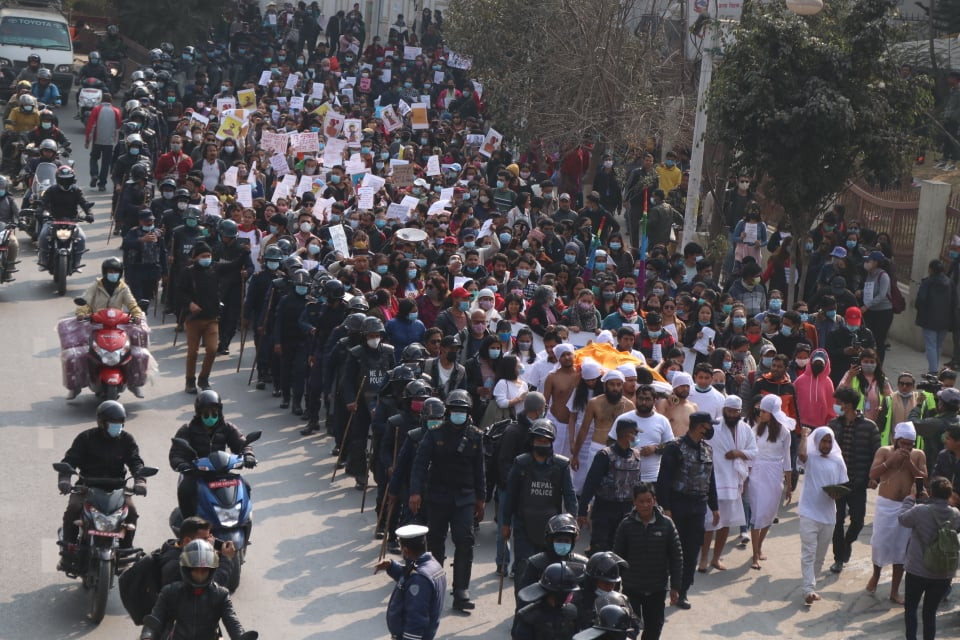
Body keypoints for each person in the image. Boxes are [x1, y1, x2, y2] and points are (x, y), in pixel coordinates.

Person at [409, 389, 485, 611]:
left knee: (465, 541)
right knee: (435, 542)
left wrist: (481, 498)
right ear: (448, 411)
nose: (458, 414)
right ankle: (434, 585)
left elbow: (480, 470)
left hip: (464, 497)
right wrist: (415, 492)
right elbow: (420, 464)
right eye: (454, 410)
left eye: (462, 411)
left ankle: (461, 590)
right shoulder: (435, 434)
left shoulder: (475, 436)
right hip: (438, 495)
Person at [57, 401, 147, 569]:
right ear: (101, 422)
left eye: (120, 423)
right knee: (73, 508)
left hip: (117, 489)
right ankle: (68, 550)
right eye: (113, 423)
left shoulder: (127, 440)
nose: (117, 426)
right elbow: (69, 462)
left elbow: (136, 463)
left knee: (132, 512)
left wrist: (140, 481)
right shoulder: (85, 438)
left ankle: (125, 549)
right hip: (86, 487)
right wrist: (64, 480)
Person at [655, 411, 719, 609]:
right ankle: (660, 590)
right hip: (677, 505)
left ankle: (682, 592)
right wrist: (665, 507)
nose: (711, 430)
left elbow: (710, 480)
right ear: (699, 426)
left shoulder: (707, 449)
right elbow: (663, 480)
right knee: (670, 551)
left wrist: (714, 508)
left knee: (691, 553)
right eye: (709, 425)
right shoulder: (675, 447)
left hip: (697, 507)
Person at [502, 419, 578, 579]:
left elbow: (570, 497)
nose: (542, 444)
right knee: (524, 570)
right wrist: (506, 523)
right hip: (524, 525)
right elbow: (510, 496)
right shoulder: (521, 463)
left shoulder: (561, 465)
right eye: (539, 440)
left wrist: (574, 524)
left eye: (546, 441)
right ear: (532, 441)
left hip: (552, 529)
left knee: (552, 573)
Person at [168, 390, 256, 521]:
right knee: (185, 490)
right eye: (206, 413)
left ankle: (244, 521)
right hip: (196, 473)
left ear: (219, 411)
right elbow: (176, 453)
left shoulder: (227, 427)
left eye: (214, 412)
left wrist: (248, 455)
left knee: (245, 486)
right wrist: (182, 464)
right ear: (199, 413)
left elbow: (242, 444)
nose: (211, 416)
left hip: (221, 472)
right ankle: (189, 525)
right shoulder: (187, 429)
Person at [140, 539, 251, 640]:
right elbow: (155, 618)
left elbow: (232, 621)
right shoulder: (170, 592)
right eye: (195, 570)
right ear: (187, 570)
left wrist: (241, 636)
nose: (200, 575)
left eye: (204, 571)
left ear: (211, 570)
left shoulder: (220, 595)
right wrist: (147, 635)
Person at [866, 421, 927, 603]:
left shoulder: (918, 455)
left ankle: (894, 591)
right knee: (879, 544)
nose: (906, 447)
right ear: (895, 440)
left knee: (901, 549)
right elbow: (872, 474)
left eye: (910, 444)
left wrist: (908, 463)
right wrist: (890, 462)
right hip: (886, 505)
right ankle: (876, 575)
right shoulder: (884, 451)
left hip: (906, 507)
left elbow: (923, 479)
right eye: (903, 443)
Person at [613, 483, 683, 639]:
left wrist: (676, 587)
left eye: (648, 500)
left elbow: (676, 557)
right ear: (634, 502)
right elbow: (617, 558)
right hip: (632, 588)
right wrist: (615, 588)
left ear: (654, 500)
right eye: (641, 501)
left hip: (657, 588)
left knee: (654, 627)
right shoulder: (626, 525)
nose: (645, 505)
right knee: (630, 628)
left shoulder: (667, 524)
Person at [699, 395, 757, 572]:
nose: (732, 414)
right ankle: (703, 559)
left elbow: (754, 452)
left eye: (735, 411)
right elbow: (702, 446)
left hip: (733, 480)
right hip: (713, 479)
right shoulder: (713, 427)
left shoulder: (746, 429)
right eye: (729, 411)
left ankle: (716, 558)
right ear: (724, 409)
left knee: (726, 522)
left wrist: (738, 453)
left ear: (740, 412)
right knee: (710, 522)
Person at [899, 476, 960, 640]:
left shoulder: (920, 510)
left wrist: (911, 498)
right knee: (930, 613)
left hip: (918, 570)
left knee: (911, 609)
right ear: (949, 494)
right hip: (943, 572)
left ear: (931, 492)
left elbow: (903, 519)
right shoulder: (955, 514)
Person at [829, 387, 881, 574]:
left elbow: (877, 454)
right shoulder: (833, 425)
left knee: (857, 521)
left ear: (848, 405)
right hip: (837, 484)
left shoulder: (869, 427)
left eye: (839, 403)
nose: (836, 406)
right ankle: (838, 558)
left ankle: (846, 543)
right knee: (836, 522)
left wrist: (875, 478)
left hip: (858, 483)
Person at [798, 427, 849, 605]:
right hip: (808, 512)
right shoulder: (810, 457)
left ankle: (812, 586)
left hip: (828, 515)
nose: (826, 445)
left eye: (829, 441)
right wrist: (804, 436)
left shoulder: (837, 461)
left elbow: (842, 486)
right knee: (808, 553)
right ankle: (808, 590)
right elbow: (802, 456)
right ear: (817, 441)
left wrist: (837, 494)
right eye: (823, 441)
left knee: (820, 556)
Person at [578, 418, 643, 554]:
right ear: (627, 434)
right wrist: (582, 511)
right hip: (604, 511)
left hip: (626, 511)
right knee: (600, 551)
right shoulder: (605, 455)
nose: (636, 437)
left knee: (622, 552)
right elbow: (591, 484)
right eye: (634, 433)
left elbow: (638, 485)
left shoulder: (636, 456)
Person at [375, 524, 446, 640]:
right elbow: (408, 577)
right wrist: (392, 566)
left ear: (405, 550)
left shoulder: (419, 580)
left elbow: (416, 617)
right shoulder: (432, 565)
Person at [748, 394, 794, 570]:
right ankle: (754, 556)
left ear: (773, 412)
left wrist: (789, 485)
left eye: (764, 411)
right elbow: (750, 453)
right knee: (757, 513)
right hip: (757, 473)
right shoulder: (755, 429)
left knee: (769, 513)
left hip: (775, 474)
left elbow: (788, 460)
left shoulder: (784, 432)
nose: (761, 414)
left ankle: (759, 547)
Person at [571, 370, 635, 493]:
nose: (615, 388)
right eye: (612, 384)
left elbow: (633, 433)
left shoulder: (629, 406)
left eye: (618, 384)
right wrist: (575, 455)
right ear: (605, 385)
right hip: (597, 449)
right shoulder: (594, 403)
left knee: (617, 488)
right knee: (594, 487)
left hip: (620, 451)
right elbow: (583, 430)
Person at [177, 242, 225, 393]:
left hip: (211, 318)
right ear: (196, 257)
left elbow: (234, 266)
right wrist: (190, 304)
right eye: (203, 256)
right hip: (193, 319)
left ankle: (203, 378)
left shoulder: (214, 270)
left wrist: (245, 255)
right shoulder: (188, 272)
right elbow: (179, 292)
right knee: (193, 352)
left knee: (212, 349)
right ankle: (190, 381)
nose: (207, 258)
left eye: (209, 256)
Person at [513, 513, 589, 605]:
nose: (563, 544)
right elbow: (524, 599)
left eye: (567, 541)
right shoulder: (535, 564)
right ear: (550, 541)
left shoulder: (581, 565)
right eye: (559, 540)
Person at [616, 384, 675, 483]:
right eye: (641, 399)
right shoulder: (623, 419)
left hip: (652, 478)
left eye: (647, 399)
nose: (643, 402)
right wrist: (626, 447)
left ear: (654, 400)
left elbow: (671, 446)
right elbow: (610, 442)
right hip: (625, 477)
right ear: (636, 398)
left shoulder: (662, 421)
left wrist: (655, 449)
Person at [37, 166, 93, 271]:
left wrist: (89, 214)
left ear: (73, 179)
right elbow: (43, 202)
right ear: (58, 179)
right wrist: (39, 211)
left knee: (82, 238)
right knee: (43, 235)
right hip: (53, 220)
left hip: (72, 221)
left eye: (68, 179)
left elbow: (84, 203)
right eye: (63, 179)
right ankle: (43, 261)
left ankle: (77, 262)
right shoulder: (51, 190)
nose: (65, 182)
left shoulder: (77, 190)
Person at [155, 516, 235, 588]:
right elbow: (212, 586)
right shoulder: (176, 567)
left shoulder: (182, 550)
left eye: (210, 537)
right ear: (187, 541)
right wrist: (226, 559)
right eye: (204, 539)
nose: (210, 541)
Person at [513, 562, 582, 640]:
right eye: (567, 593)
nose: (570, 595)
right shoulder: (529, 617)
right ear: (558, 594)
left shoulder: (571, 612)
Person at [916, 259, 953, 375]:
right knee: (938, 346)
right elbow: (954, 301)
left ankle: (933, 371)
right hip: (945, 319)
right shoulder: (949, 282)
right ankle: (935, 369)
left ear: (931, 269)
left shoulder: (927, 282)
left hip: (929, 319)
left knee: (931, 345)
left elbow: (920, 300)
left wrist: (921, 310)